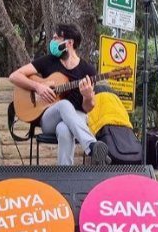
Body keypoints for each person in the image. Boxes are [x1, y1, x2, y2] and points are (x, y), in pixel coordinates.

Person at [8, 24, 111, 166]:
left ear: (69, 43)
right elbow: (14, 76)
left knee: (64, 129)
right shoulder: (48, 61)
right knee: (64, 104)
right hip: (49, 118)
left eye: (56, 38)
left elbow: (88, 108)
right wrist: (38, 87)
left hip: (78, 116)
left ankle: (64, 176)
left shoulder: (87, 70)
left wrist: (87, 96)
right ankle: (91, 145)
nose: (52, 42)